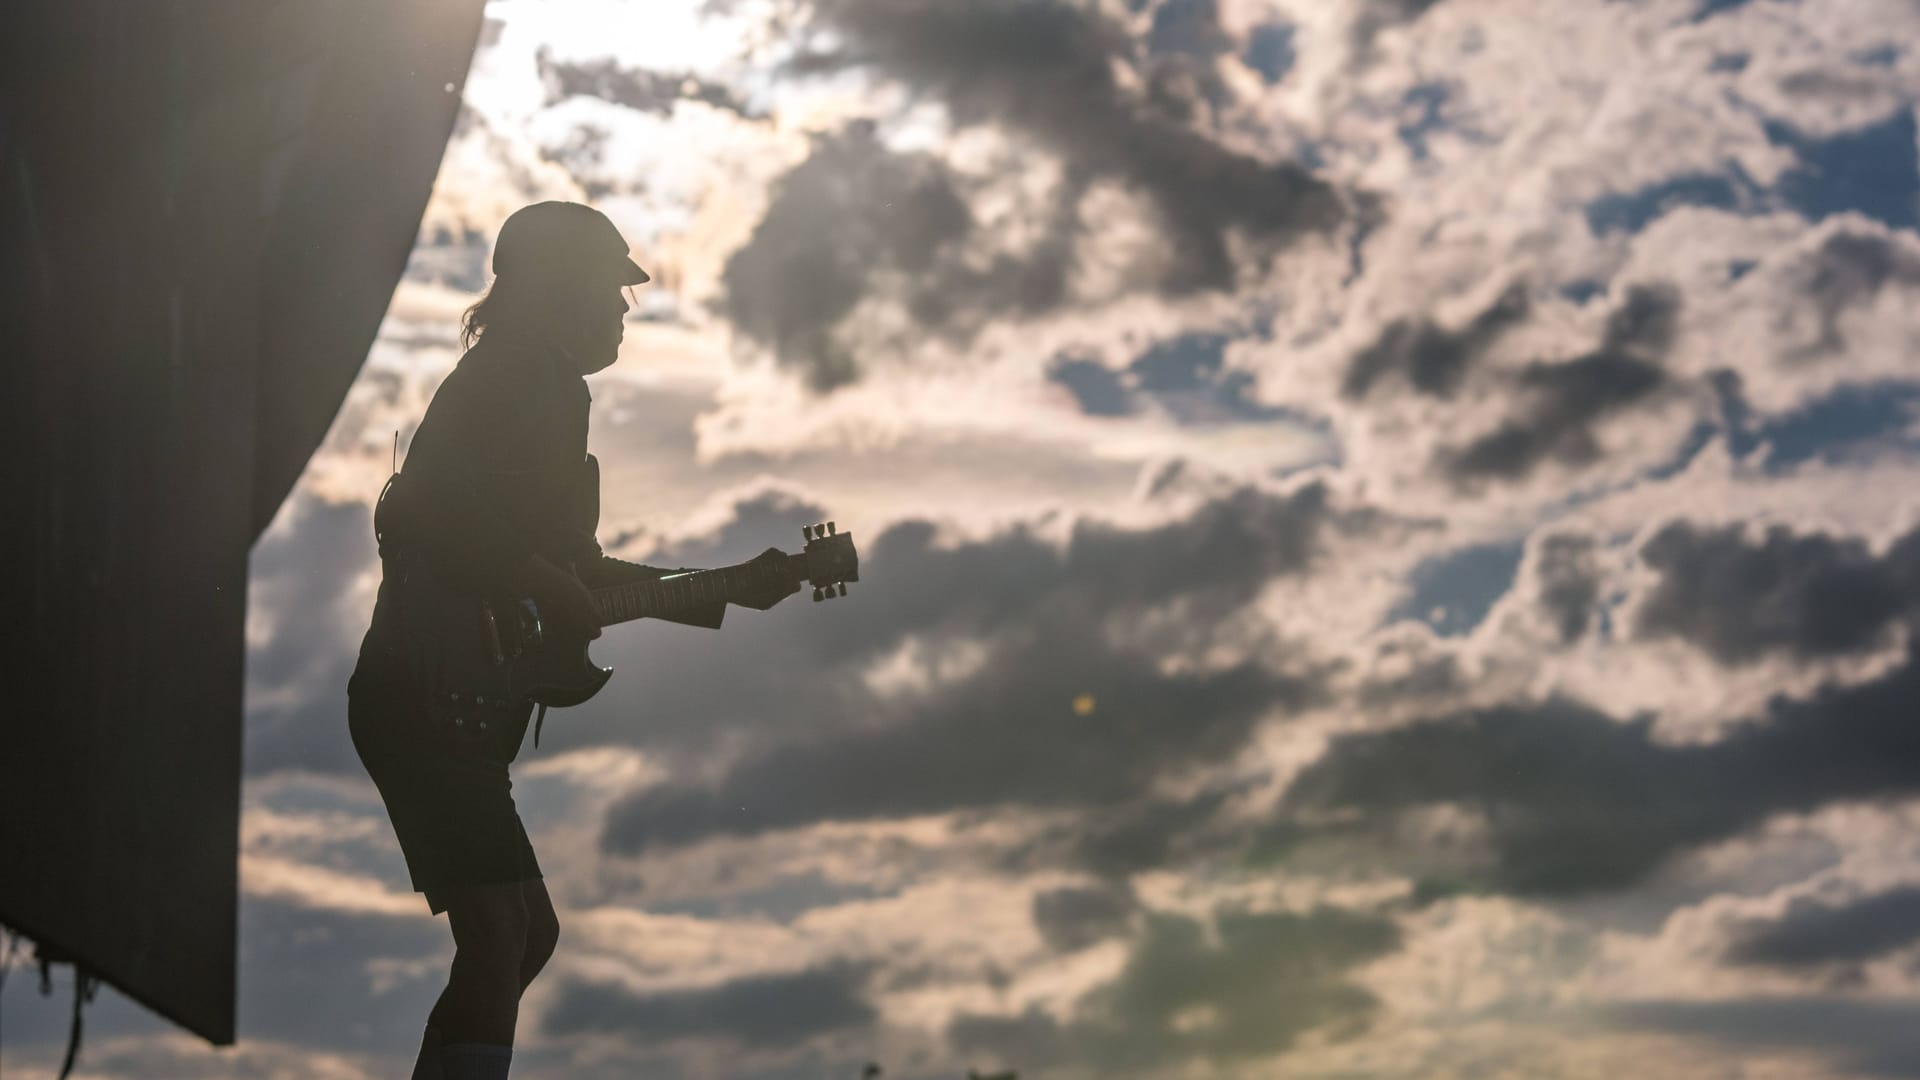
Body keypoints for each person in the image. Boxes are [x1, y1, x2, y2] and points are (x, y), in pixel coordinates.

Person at [346, 201, 799, 1080]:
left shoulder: (543, 386)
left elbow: (575, 571)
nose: (624, 309)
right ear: (555, 289)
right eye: (609, 289)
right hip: (425, 702)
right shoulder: (521, 378)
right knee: (501, 933)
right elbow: (418, 508)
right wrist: (537, 576)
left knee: (524, 937)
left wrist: (730, 586)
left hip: (455, 713)